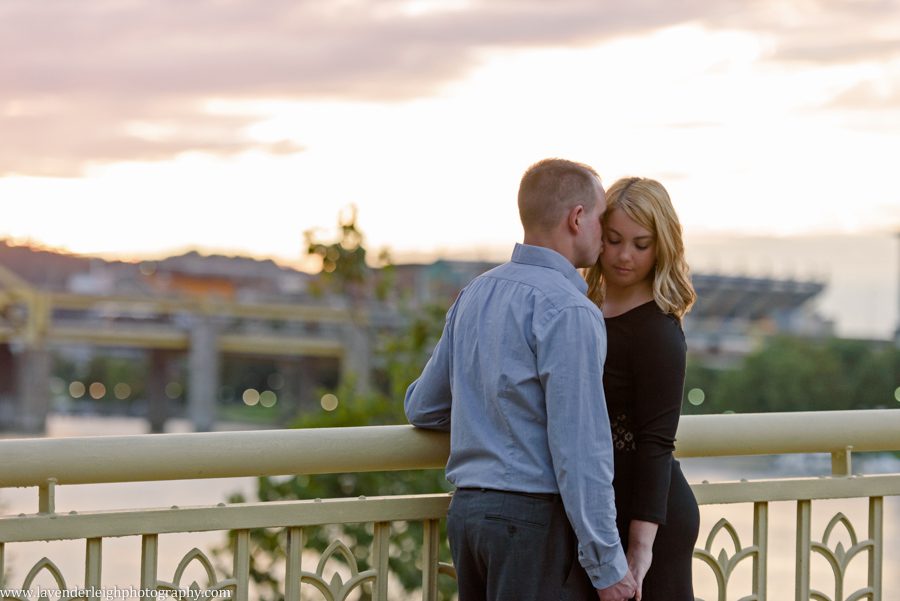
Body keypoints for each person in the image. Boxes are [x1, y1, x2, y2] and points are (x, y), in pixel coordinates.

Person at [404, 158, 636, 601]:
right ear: (577, 218)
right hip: (530, 522)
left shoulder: (476, 292)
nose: (605, 236)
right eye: (602, 219)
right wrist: (608, 567)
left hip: (468, 514)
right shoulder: (570, 310)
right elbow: (580, 448)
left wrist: (486, 407)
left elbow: (422, 407)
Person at [571, 177, 700, 600]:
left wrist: (640, 547)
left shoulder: (659, 331)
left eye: (641, 244)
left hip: (646, 523)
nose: (625, 256)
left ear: (661, 245)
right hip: (597, 517)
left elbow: (656, 441)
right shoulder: (582, 310)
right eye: (613, 240)